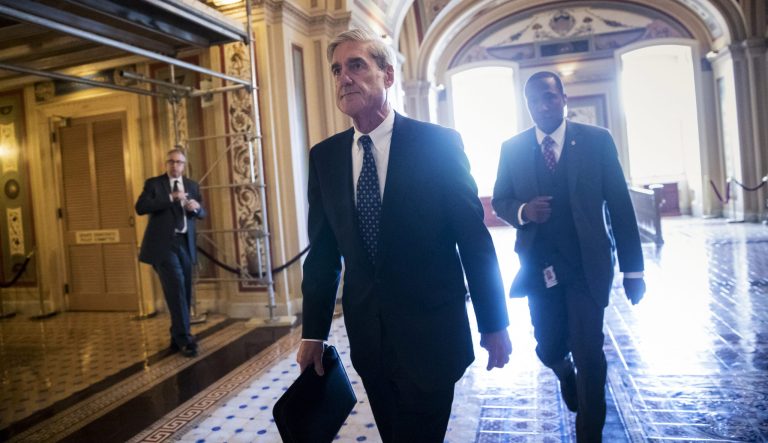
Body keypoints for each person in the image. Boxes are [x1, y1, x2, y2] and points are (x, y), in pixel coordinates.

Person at [297, 28, 512, 442]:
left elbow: (473, 240)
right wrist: (314, 332)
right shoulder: (325, 157)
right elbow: (323, 254)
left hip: (432, 334)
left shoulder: (438, 145)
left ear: (388, 75)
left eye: (357, 65)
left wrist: (494, 322)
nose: (344, 77)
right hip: (370, 341)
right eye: (337, 69)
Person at [492, 71, 645, 442]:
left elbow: (620, 206)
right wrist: (525, 210)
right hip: (540, 267)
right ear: (527, 105)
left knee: (589, 352)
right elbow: (500, 200)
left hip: (587, 266)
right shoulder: (512, 149)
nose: (542, 105)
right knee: (547, 346)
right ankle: (564, 373)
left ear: (563, 98)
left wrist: (634, 270)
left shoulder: (597, 141)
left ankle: (588, 433)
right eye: (534, 100)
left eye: (549, 97)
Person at [136, 148, 206, 358]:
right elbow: (140, 207)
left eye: (179, 162)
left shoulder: (192, 185)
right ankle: (185, 339)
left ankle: (176, 337)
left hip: (184, 244)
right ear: (166, 164)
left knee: (183, 291)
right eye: (171, 162)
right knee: (175, 287)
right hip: (163, 246)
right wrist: (170, 197)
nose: (175, 166)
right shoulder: (154, 184)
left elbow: (202, 213)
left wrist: (196, 208)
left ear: (184, 166)